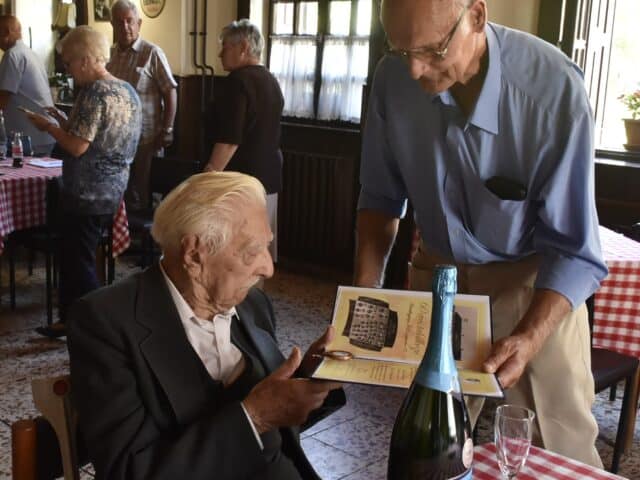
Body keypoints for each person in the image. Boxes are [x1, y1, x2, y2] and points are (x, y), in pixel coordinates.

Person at [355, 0, 608, 468]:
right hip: (438, 275)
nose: (414, 70)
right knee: (431, 441)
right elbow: (380, 197)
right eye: (400, 49)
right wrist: (363, 298)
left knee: (557, 446)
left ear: (476, 16)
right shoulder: (393, 77)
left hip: (532, 282)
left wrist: (530, 337)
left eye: (431, 51)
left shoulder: (551, 91)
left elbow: (575, 249)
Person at [67, 171, 345, 479]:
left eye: (267, 246)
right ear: (194, 254)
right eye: (252, 251)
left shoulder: (251, 304)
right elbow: (130, 471)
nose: (268, 268)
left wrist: (307, 379)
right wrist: (255, 417)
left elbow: (280, 430)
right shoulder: (106, 322)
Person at [26, 26, 141, 338]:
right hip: (113, 191)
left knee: (79, 262)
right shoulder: (126, 91)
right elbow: (97, 138)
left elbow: (77, 147)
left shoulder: (94, 93)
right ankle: (70, 319)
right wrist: (62, 121)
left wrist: (49, 128)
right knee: (78, 256)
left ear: (87, 60)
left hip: (85, 194)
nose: (68, 70)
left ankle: (96, 326)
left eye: (69, 63)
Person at [204, 19, 284, 262]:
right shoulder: (271, 80)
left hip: (241, 180)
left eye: (225, 46)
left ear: (244, 47)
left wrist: (209, 176)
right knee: (259, 249)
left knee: (236, 252)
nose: (220, 53)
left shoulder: (238, 82)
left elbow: (230, 139)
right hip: (269, 176)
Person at [108, 0, 177, 212]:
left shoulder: (152, 53)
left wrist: (168, 129)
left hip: (147, 139)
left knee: (147, 194)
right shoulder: (110, 54)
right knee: (124, 193)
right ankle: (125, 231)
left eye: (129, 21)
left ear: (139, 23)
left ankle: (151, 231)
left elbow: (170, 91)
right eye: (119, 22)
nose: (125, 27)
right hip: (118, 140)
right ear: (112, 25)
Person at [0, 15, 55, 156]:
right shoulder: (30, 53)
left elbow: (2, 100)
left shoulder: (12, 55)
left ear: (6, 32)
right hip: (45, 134)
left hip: (30, 137)